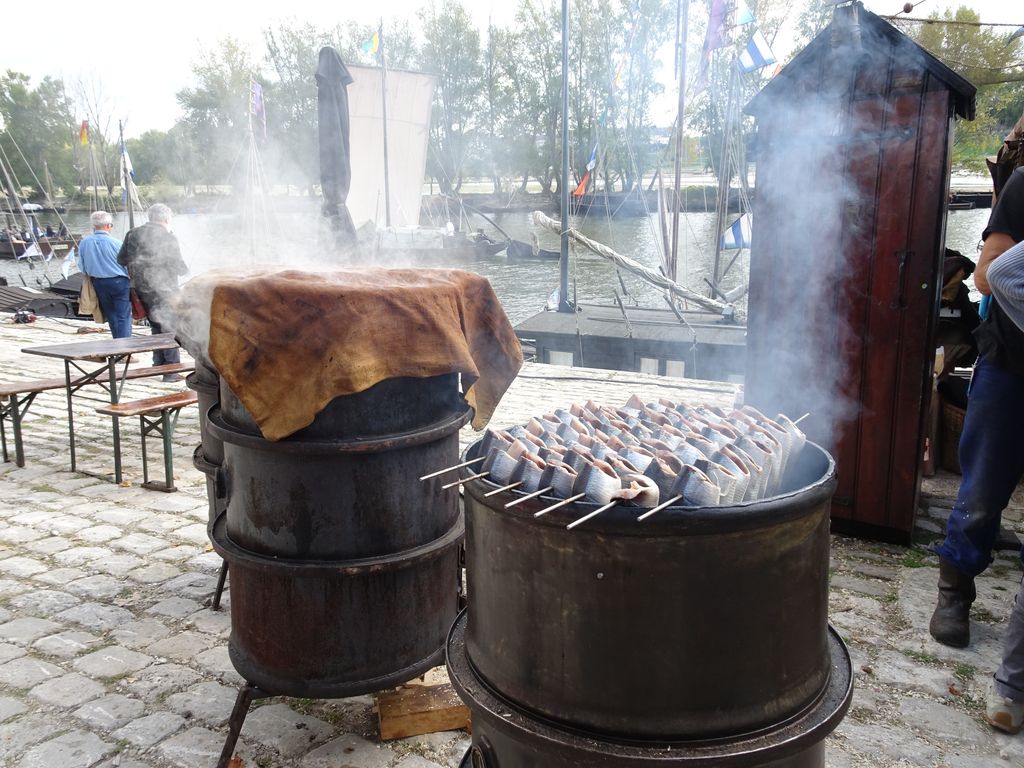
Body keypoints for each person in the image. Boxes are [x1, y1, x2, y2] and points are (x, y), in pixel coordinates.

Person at [929, 166, 1024, 721]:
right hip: (1010, 364)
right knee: (983, 489)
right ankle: (955, 591)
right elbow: (987, 277)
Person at [117, 204, 189, 381]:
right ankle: (171, 371)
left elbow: (121, 259)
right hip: (165, 290)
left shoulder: (132, 234)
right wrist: (186, 270)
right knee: (170, 328)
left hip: (141, 290)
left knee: (156, 326)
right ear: (166, 219)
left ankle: (158, 365)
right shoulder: (168, 237)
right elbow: (178, 266)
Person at [77, 211, 131, 338]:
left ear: (94, 226)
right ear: (108, 226)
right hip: (119, 282)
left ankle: (117, 342)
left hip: (99, 282)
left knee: (111, 315)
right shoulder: (116, 243)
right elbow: (127, 264)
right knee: (123, 316)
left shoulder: (84, 243)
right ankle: (125, 345)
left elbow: (82, 267)